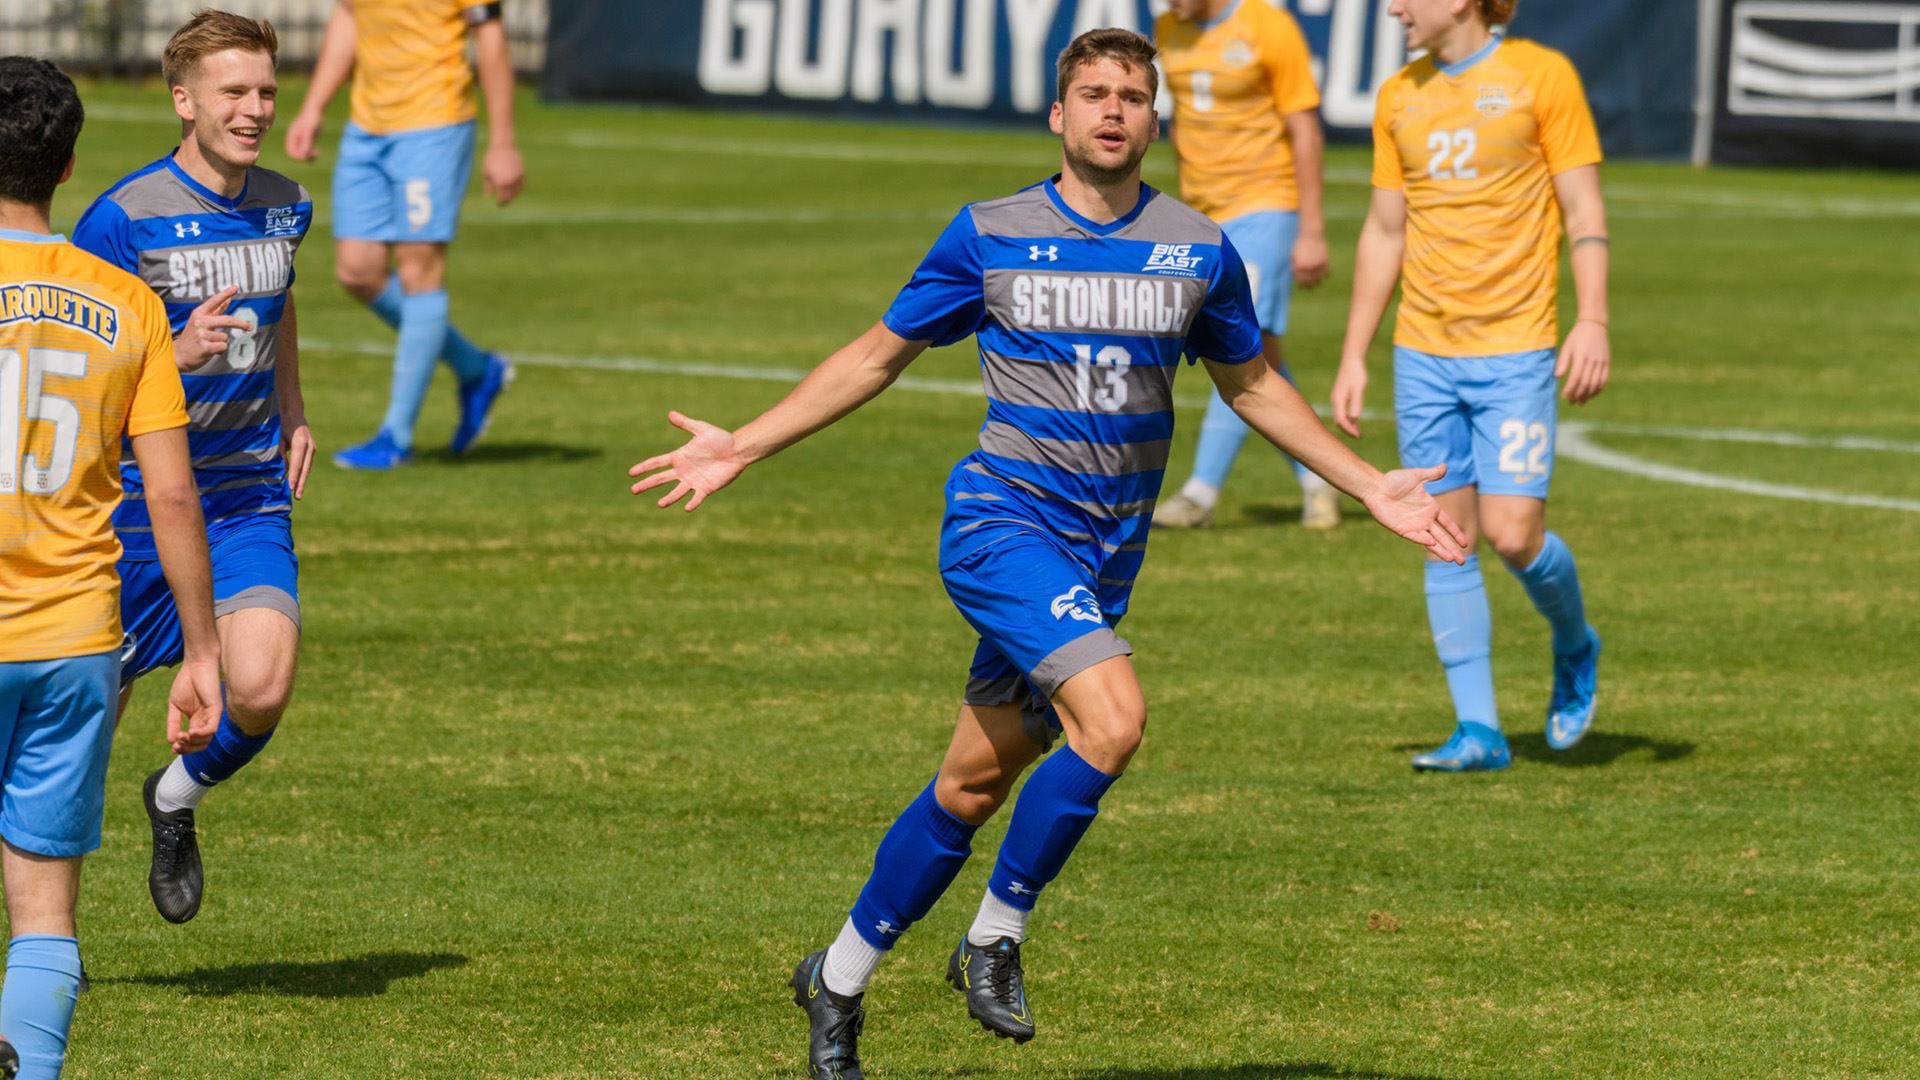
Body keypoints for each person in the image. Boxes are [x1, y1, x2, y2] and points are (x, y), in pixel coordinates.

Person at [629, 28, 1468, 1078]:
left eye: (1132, 95)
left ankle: (835, 979)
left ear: (1155, 119)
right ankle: (995, 934)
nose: (1112, 110)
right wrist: (745, 442)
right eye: (1093, 94)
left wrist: (1368, 481)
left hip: (1103, 556)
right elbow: (875, 356)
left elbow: (1251, 385)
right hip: (1001, 528)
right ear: (1058, 115)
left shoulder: (1199, 248)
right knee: (1115, 720)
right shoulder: (990, 234)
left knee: (971, 788)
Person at [0, 56, 223, 1078]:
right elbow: (171, 496)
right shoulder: (129, 304)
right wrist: (202, 650)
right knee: (44, 908)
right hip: (75, 641)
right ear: (71, 163)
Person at [72, 11, 313, 922]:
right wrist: (176, 349)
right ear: (184, 101)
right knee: (83, 738)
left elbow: (280, 302)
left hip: (246, 494)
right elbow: (84, 355)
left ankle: (175, 799)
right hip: (133, 506)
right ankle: (49, 935)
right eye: (233, 93)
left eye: (263, 93)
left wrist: (293, 409)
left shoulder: (287, 203)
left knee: (259, 685)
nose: (252, 110)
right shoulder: (123, 219)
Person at [1330, 0, 1611, 772]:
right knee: (1443, 539)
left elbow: (1582, 205)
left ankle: (1576, 644)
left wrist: (1593, 319)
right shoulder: (1400, 95)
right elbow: (1387, 228)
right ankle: (1479, 732)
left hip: (1517, 349)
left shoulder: (1540, 76)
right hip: (1423, 352)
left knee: (1515, 535)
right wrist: (1354, 352)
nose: (1393, 8)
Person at [284, 0, 521, 469]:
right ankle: (477, 368)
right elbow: (350, 19)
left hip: (435, 123)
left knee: (419, 268)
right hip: (366, 126)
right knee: (357, 272)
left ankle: (396, 436)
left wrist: (503, 141)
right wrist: (313, 107)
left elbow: (489, 39)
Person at [1151, 0, 1340, 529]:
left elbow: (1305, 128)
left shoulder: (1268, 27)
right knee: (1265, 361)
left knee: (1235, 345)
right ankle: (1318, 478)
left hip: (1265, 206)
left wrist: (1312, 229)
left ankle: (1200, 494)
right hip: (1204, 218)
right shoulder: (1169, 26)